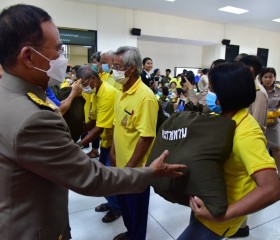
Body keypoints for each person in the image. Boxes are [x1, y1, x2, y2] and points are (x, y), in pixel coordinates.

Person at [0, 4, 186, 239]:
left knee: (135, 209)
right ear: (28, 56)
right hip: (32, 229)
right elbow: (91, 178)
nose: (62, 59)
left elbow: (144, 134)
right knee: (125, 203)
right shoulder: (33, 115)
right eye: (58, 50)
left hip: (20, 219)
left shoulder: (11, 98)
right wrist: (151, 173)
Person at [177, 62, 280, 240]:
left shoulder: (247, 133)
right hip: (205, 202)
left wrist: (224, 214)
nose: (209, 95)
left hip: (218, 216)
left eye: (212, 90)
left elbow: (272, 188)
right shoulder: (222, 119)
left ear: (226, 93)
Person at [110, 46, 159, 240]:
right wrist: (113, 152)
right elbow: (117, 125)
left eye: (117, 66)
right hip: (120, 164)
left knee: (136, 209)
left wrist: (130, 169)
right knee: (124, 205)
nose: (114, 70)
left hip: (135, 168)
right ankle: (130, 233)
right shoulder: (121, 91)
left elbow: (146, 138)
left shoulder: (145, 97)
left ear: (131, 69)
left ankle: (136, 236)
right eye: (113, 65)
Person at [76, 65, 122, 223]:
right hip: (107, 140)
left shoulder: (107, 94)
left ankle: (117, 208)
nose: (83, 87)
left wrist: (78, 145)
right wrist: (76, 132)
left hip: (115, 142)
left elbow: (99, 127)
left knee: (108, 178)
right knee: (104, 177)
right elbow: (93, 121)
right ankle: (112, 203)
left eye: (84, 83)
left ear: (93, 79)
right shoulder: (97, 92)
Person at [260, 67, 280, 173]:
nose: (268, 79)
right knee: (262, 149)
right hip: (259, 123)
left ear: (274, 78)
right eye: (265, 77)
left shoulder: (278, 90)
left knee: (276, 148)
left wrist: (277, 112)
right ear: (261, 78)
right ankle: (266, 172)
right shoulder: (257, 90)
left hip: (274, 124)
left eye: (271, 77)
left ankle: (279, 172)